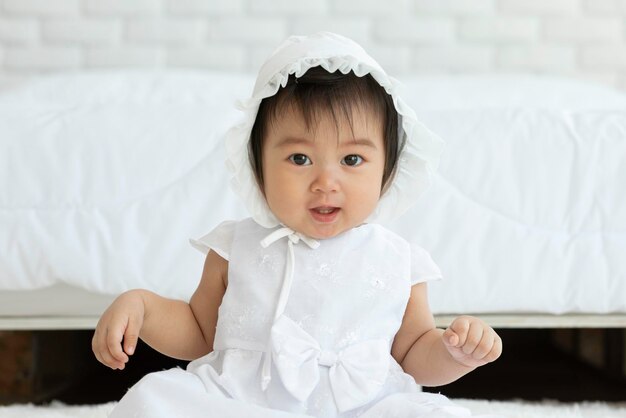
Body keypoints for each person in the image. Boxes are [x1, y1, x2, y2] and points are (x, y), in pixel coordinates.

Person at [92, 32, 503, 418]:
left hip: (361, 406)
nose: (326, 183)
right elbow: (199, 331)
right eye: (300, 159)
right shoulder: (237, 247)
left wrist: (455, 353)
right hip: (245, 402)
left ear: (388, 171)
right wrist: (144, 307)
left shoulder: (398, 261)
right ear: (258, 167)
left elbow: (414, 354)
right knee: (155, 401)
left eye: (352, 160)